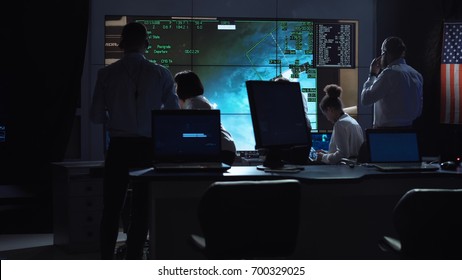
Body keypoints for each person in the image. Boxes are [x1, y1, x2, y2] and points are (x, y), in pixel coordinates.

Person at [90, 22, 179, 259]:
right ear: (147, 44)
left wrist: (117, 114)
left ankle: (106, 260)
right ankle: (135, 257)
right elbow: (172, 114)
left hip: (118, 148)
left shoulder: (106, 74)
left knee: (111, 208)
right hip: (147, 149)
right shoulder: (161, 73)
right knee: (141, 210)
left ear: (121, 44)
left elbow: (95, 116)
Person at [173, 70, 236, 165]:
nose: (174, 89)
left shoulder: (194, 103)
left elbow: (195, 133)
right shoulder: (197, 101)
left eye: (176, 86)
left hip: (220, 150)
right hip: (224, 148)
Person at [361, 36, 423, 129]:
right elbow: (418, 111)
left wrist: (372, 74)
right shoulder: (416, 74)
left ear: (385, 54)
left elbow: (366, 100)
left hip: (387, 133)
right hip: (409, 132)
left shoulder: (389, 73)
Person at [316, 84, 364, 164]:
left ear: (330, 109)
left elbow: (342, 155)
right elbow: (349, 151)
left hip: (344, 170)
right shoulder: (353, 121)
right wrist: (327, 153)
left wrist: (323, 157)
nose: (327, 118)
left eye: (326, 114)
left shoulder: (340, 124)